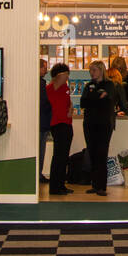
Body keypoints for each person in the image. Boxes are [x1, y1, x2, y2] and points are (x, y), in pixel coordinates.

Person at [80, 61, 117, 195]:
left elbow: (108, 100)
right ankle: (95, 185)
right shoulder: (88, 85)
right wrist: (97, 97)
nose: (92, 73)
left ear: (101, 70)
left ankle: (102, 186)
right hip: (89, 123)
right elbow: (83, 102)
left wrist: (93, 98)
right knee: (93, 154)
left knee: (102, 153)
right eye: (90, 70)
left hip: (103, 124)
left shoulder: (109, 85)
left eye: (94, 70)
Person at [46, 63, 73, 196]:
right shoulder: (53, 86)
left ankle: (61, 185)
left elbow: (68, 101)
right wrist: (63, 72)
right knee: (59, 156)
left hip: (66, 123)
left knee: (63, 157)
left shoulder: (64, 87)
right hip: (58, 124)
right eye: (66, 73)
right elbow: (60, 76)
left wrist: (70, 108)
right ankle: (55, 187)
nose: (68, 76)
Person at [39, 59, 52, 183]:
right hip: (42, 122)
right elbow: (45, 103)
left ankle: (39, 173)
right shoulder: (41, 84)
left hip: (41, 122)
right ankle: (39, 174)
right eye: (44, 67)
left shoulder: (41, 83)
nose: (46, 70)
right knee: (40, 149)